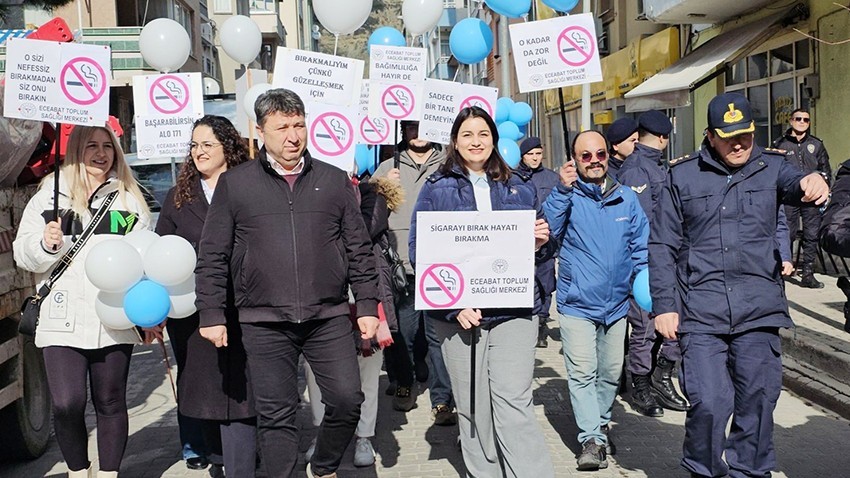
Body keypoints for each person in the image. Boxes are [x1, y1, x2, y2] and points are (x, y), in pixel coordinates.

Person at [194, 88, 380, 478]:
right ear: (261, 131)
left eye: (299, 125)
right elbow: (213, 254)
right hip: (263, 321)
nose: (293, 135)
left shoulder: (333, 181)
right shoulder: (236, 184)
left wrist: (366, 305)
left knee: (347, 400)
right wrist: (211, 312)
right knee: (276, 416)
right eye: (282, 127)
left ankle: (324, 465)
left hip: (326, 315)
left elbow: (359, 248)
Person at [651, 93, 829, 478]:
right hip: (701, 311)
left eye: (746, 135)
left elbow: (800, 184)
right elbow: (662, 245)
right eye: (729, 136)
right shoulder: (681, 176)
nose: (739, 144)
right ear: (710, 136)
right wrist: (664, 305)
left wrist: (813, 180)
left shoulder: (772, 167)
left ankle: (749, 472)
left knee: (759, 400)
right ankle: (704, 470)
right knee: (711, 402)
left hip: (758, 309)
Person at [409, 106, 556, 477]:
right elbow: (421, 252)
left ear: (494, 139)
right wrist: (454, 304)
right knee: (473, 409)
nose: (476, 142)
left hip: (513, 313)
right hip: (460, 317)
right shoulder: (436, 188)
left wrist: (540, 242)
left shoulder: (519, 186)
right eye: (467, 135)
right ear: (455, 142)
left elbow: (540, 250)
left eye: (483, 134)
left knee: (513, 401)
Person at [13, 124, 153, 478]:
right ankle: (78, 471)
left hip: (114, 316)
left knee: (110, 402)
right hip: (62, 316)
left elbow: (146, 257)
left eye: (108, 146)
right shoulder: (49, 196)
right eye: (91, 145)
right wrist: (45, 244)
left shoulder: (128, 199)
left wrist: (150, 312)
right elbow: (23, 255)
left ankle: (108, 474)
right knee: (66, 404)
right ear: (75, 149)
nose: (101, 153)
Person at [155, 116, 256, 477]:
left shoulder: (251, 185)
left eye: (207, 145)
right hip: (193, 311)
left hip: (245, 305)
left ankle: (243, 459)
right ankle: (218, 459)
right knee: (206, 391)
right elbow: (161, 249)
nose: (199, 152)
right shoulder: (178, 197)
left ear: (227, 147)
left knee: (243, 391)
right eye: (194, 145)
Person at [543, 130, 649, 471]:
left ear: (608, 155)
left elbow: (641, 245)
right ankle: (589, 439)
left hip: (617, 304)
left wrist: (644, 282)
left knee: (610, 373)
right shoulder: (567, 195)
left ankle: (600, 426)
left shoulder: (626, 198)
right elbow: (549, 228)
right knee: (583, 372)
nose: (594, 161)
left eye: (600, 154)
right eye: (585, 156)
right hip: (577, 303)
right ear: (575, 160)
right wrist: (561, 189)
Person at [303, 168, 401, 468]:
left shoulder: (372, 195)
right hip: (320, 295)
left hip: (365, 296)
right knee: (316, 372)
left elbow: (364, 228)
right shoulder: (305, 189)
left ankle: (364, 436)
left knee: (367, 371)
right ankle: (322, 432)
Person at [374, 121, 456, 423]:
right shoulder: (386, 166)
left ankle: (442, 399)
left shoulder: (449, 163)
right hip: (403, 266)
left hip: (441, 265)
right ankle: (404, 383)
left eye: (423, 126)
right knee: (404, 334)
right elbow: (369, 214)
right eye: (411, 127)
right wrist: (382, 187)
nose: (417, 133)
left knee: (439, 339)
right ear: (403, 131)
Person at [617, 110, 688, 417]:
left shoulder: (657, 166)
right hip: (645, 261)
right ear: (662, 138)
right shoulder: (636, 169)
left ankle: (662, 375)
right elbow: (639, 223)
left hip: (667, 259)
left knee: (675, 324)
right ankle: (641, 384)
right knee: (644, 328)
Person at [773, 108, 832, 288]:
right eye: (798, 119)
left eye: (806, 120)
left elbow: (825, 170)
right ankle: (783, 268)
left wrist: (823, 186)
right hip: (789, 197)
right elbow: (773, 170)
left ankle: (808, 273)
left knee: (811, 235)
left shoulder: (816, 144)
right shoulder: (780, 144)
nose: (802, 122)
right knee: (787, 233)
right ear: (791, 121)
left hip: (811, 197)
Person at [516, 136, 560, 348]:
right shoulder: (513, 177)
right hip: (520, 241)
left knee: (546, 281)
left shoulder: (552, 178)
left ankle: (542, 321)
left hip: (545, 240)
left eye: (538, 154)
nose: (534, 158)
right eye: (530, 154)